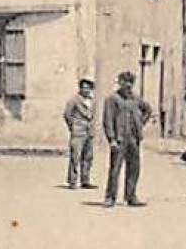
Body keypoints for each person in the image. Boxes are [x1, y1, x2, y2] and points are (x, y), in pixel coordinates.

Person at [103, 71, 153, 207]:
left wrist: (140, 123)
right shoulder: (112, 99)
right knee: (115, 169)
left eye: (131, 82)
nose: (128, 85)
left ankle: (131, 196)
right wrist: (111, 139)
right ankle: (110, 197)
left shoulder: (136, 99)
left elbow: (148, 110)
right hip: (119, 139)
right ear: (120, 83)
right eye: (125, 82)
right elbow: (108, 120)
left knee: (134, 168)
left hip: (133, 138)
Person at [64, 77, 97, 189]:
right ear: (80, 88)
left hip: (89, 132)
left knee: (88, 157)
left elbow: (92, 116)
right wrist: (73, 126)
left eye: (88, 88)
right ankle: (72, 181)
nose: (86, 90)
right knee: (75, 157)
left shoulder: (92, 101)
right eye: (84, 88)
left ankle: (85, 180)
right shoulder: (74, 100)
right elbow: (67, 114)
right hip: (78, 131)